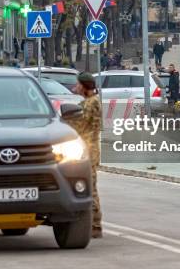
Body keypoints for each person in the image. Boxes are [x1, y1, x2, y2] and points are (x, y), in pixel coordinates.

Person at [67, 73, 102, 238]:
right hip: (89, 148)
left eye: (79, 84)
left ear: (84, 85)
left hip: (88, 149)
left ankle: (95, 226)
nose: (76, 87)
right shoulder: (91, 101)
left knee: (90, 188)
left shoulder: (90, 103)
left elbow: (80, 124)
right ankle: (94, 225)